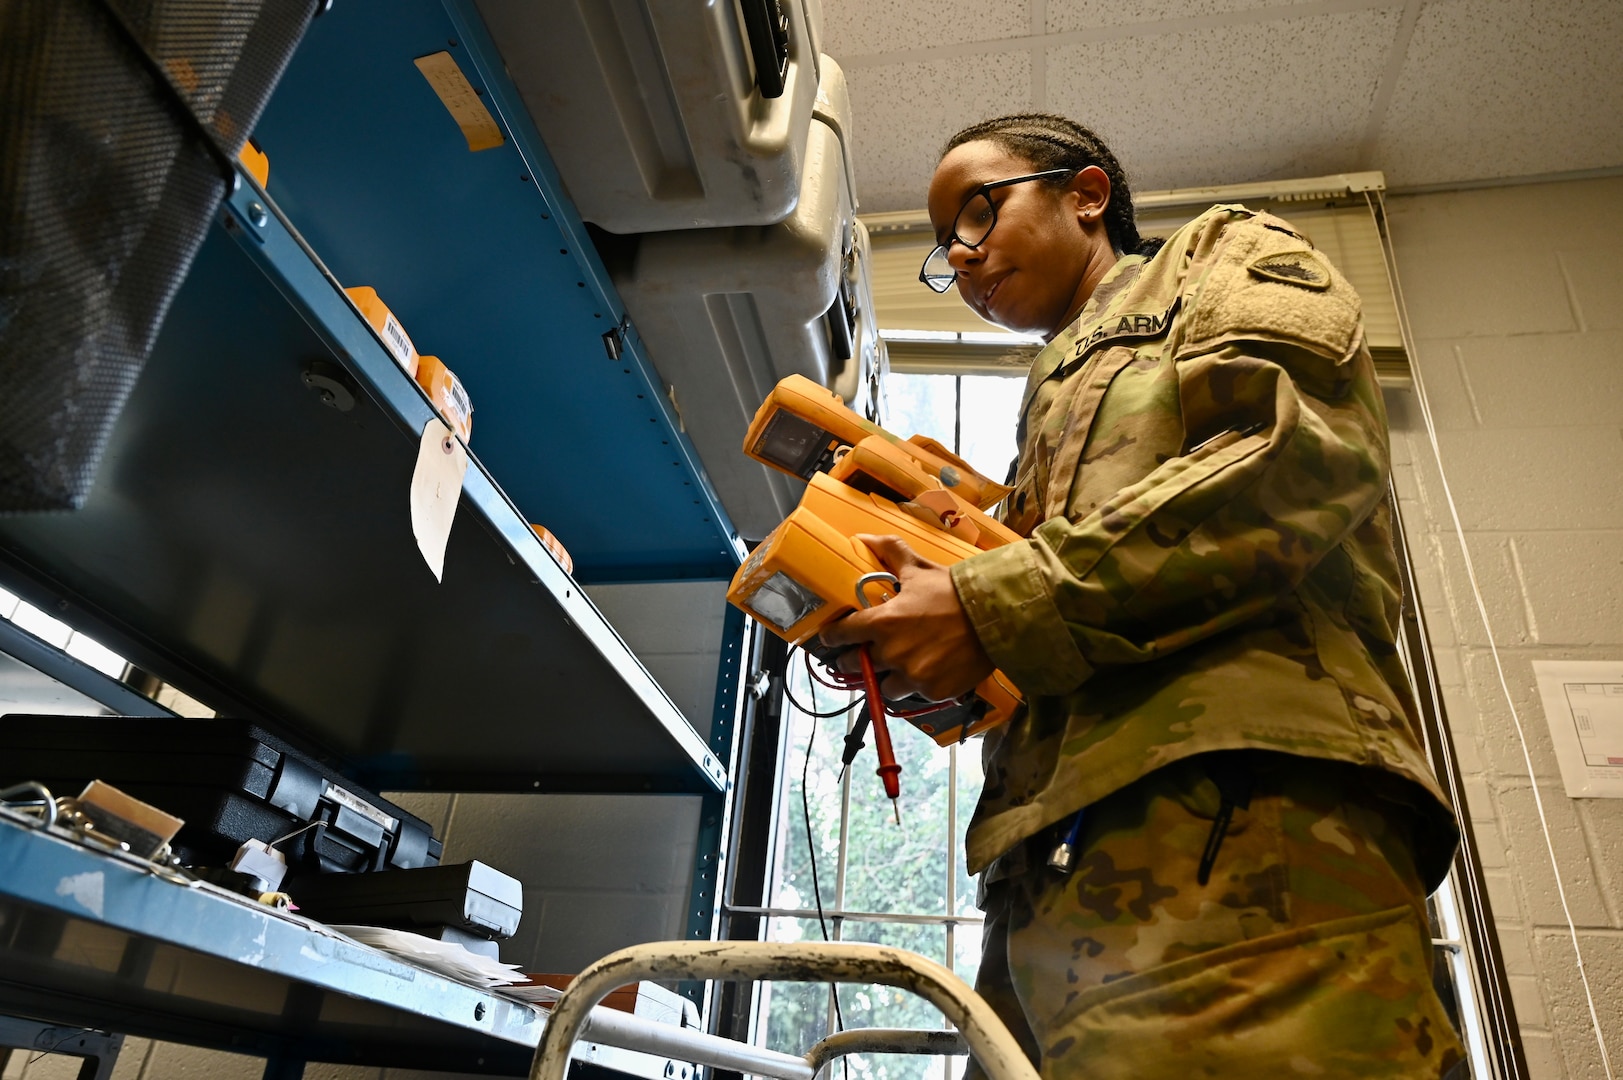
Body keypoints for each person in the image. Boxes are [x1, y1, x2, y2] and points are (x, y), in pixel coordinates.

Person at [818, 113, 1466, 1079]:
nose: (959, 257)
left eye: (978, 211)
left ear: (1086, 194)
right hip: (1049, 868)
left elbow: (1287, 461)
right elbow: (1064, 617)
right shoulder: (1048, 405)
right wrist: (922, 639)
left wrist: (993, 604)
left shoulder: (1218, 257)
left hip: (1238, 829)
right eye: (945, 253)